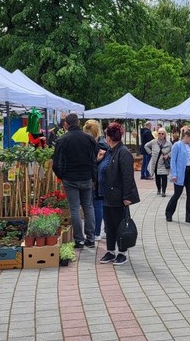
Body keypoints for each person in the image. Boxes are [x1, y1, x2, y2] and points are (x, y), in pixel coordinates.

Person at [52, 113, 97, 249]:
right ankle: (91, 238)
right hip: (86, 177)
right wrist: (93, 176)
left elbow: (56, 163)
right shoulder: (89, 139)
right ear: (78, 122)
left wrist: (62, 175)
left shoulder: (62, 139)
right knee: (88, 207)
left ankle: (79, 240)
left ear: (66, 124)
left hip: (70, 178)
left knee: (74, 209)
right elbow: (93, 159)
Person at [98, 123, 139, 266]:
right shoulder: (109, 150)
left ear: (109, 137)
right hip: (107, 194)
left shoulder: (123, 152)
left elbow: (127, 176)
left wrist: (127, 196)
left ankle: (122, 252)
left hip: (118, 195)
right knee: (109, 225)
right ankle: (110, 251)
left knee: (119, 224)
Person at [165, 128, 190, 224]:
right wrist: (174, 174)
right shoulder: (177, 145)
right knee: (177, 193)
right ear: (186, 136)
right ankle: (169, 213)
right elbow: (173, 161)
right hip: (180, 172)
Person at [83, 119, 108, 241]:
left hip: (96, 179)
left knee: (97, 205)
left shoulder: (96, 145)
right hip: (101, 178)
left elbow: (94, 163)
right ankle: (104, 230)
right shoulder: (102, 143)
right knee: (101, 205)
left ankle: (97, 232)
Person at [146, 128, 172, 197]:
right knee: (157, 177)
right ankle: (158, 189)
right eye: (159, 133)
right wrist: (150, 153)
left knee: (164, 176)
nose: (160, 135)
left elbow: (173, 151)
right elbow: (146, 146)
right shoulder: (154, 142)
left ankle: (163, 191)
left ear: (165, 135)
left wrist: (168, 155)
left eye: (162, 133)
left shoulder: (168, 143)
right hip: (156, 162)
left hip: (164, 162)